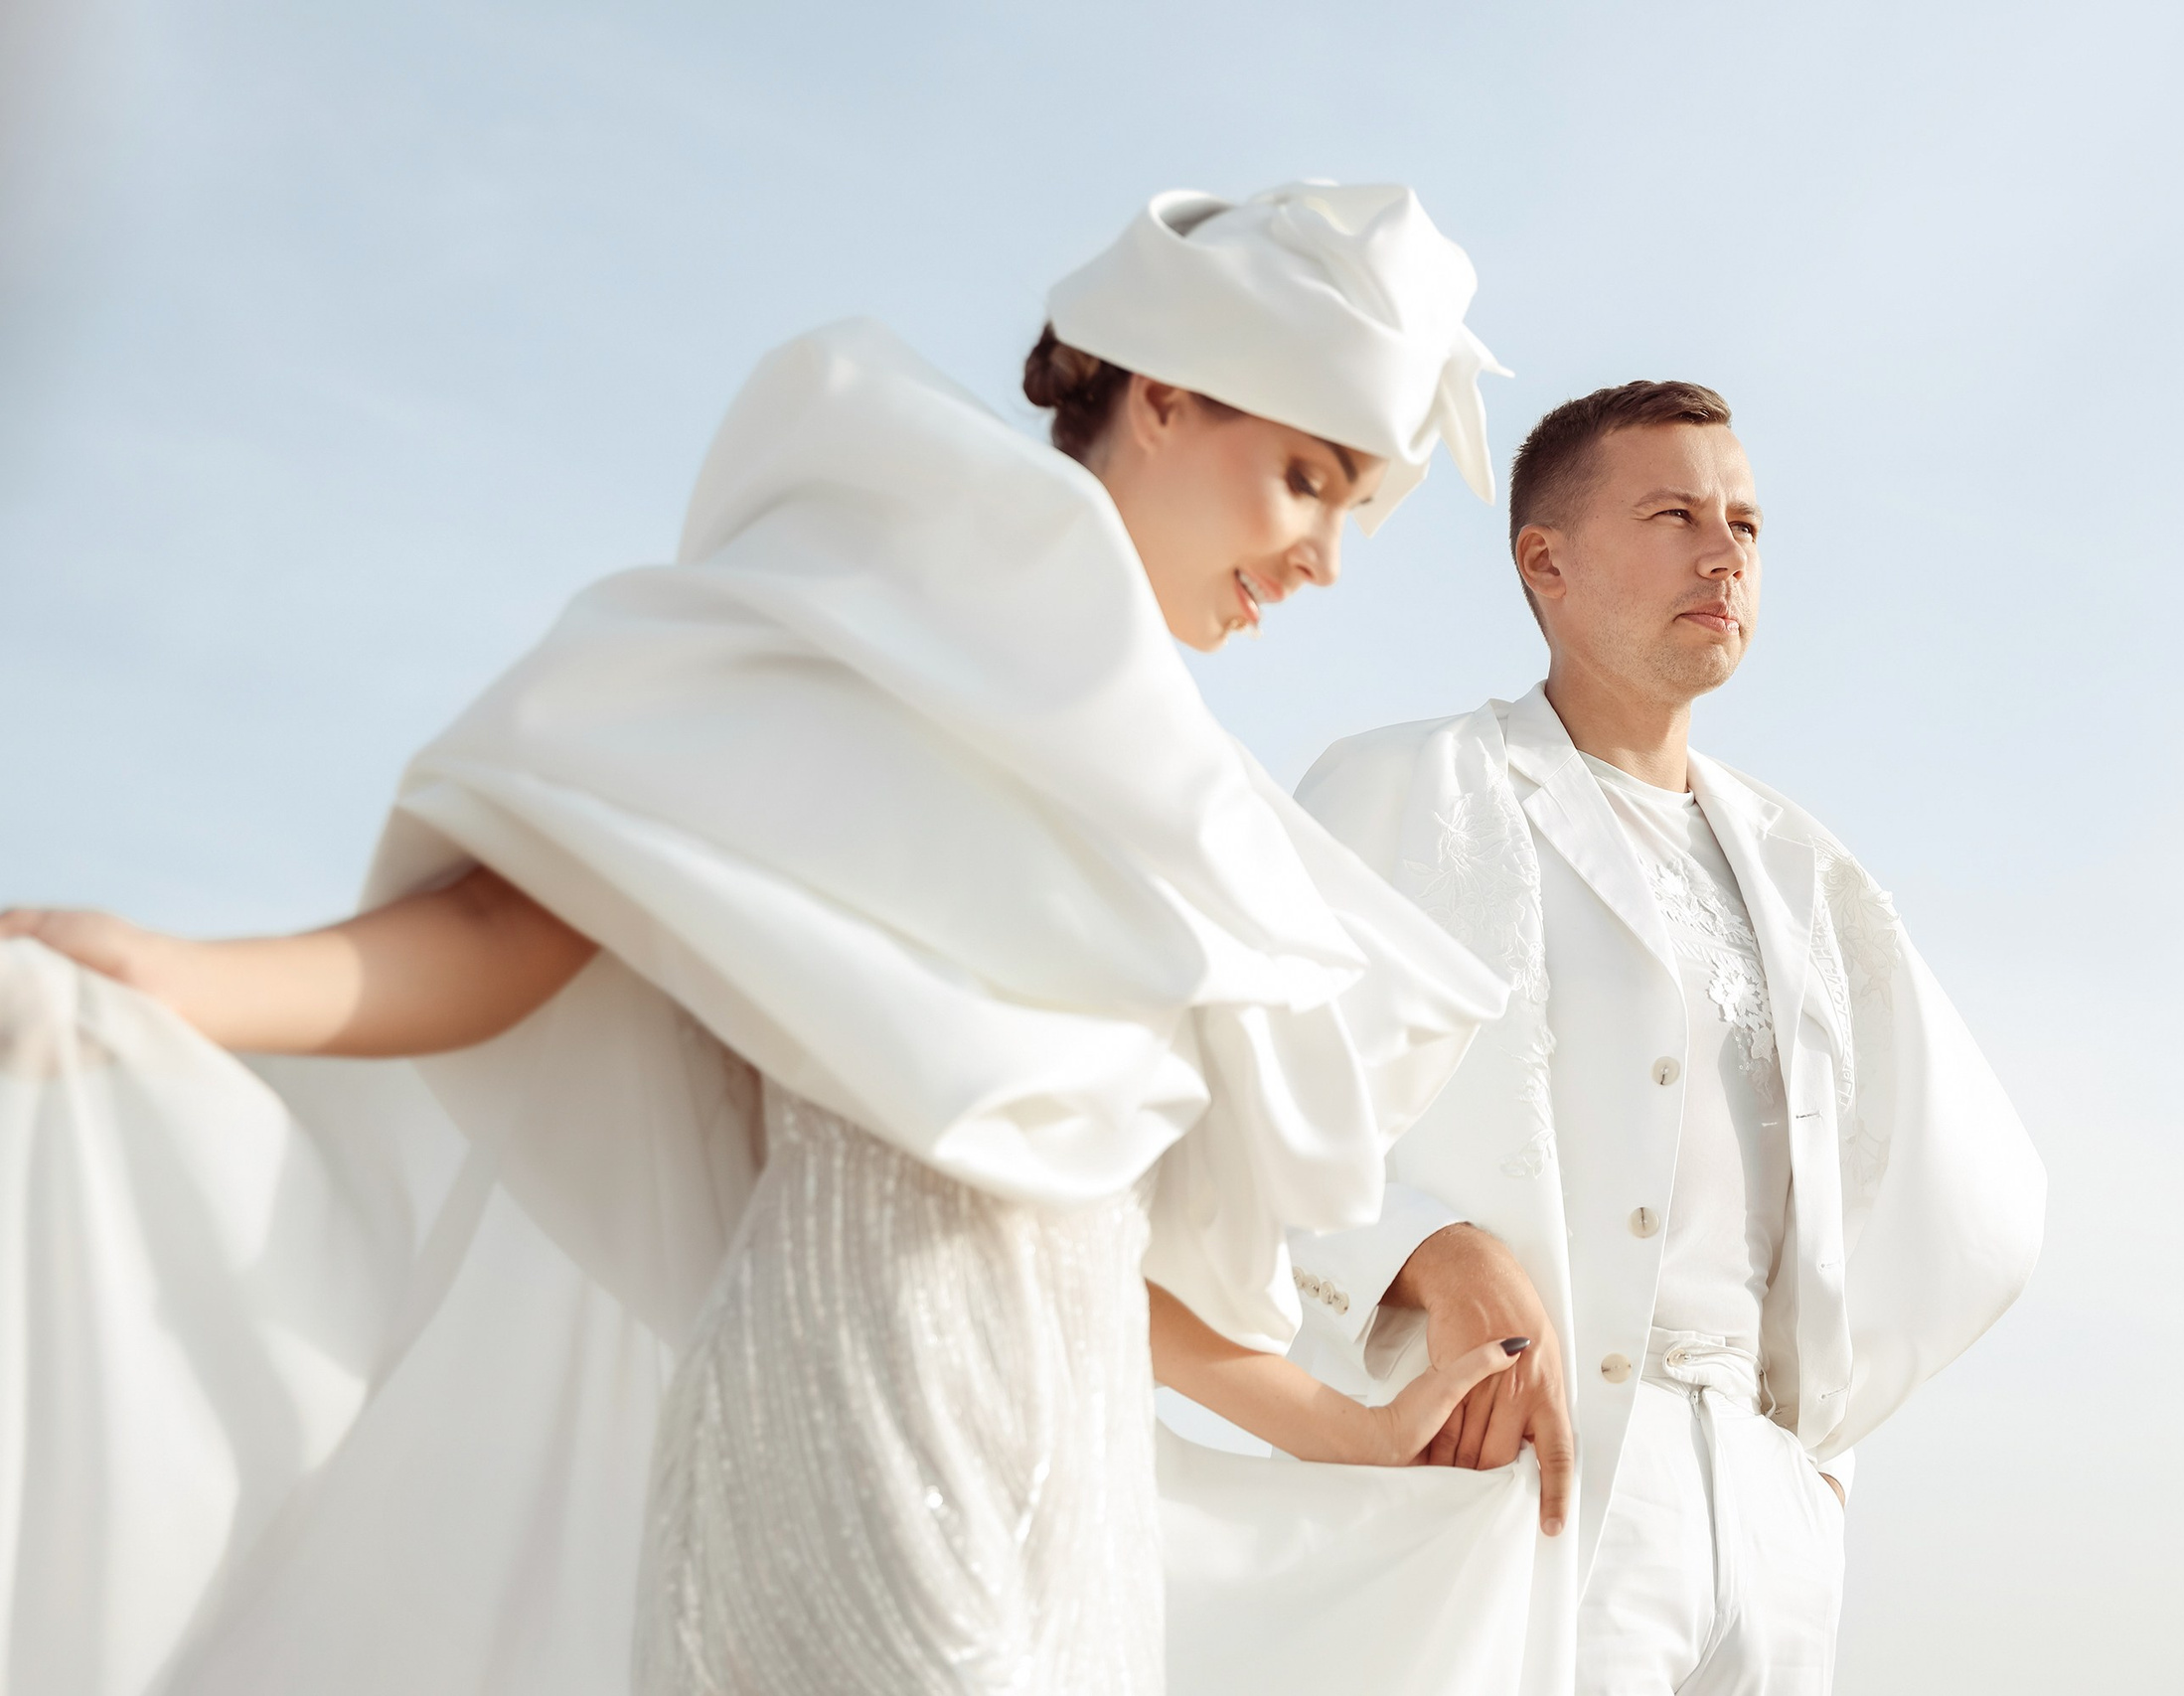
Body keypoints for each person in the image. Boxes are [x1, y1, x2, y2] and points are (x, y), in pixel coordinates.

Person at [0, 182, 1524, 1696]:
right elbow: (507, 921)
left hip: (1068, 1515)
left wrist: (1336, 1428)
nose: (1326, 557)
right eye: (1310, 479)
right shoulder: (865, 611)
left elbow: (1057, 1203)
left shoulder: (1176, 808)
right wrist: (177, 979)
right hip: (844, 1432)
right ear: (1174, 395)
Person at [1279, 381, 2049, 1692]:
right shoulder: (1406, 787)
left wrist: (1813, 1461)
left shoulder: (1806, 869)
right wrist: (1421, 1249)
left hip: (1762, 1500)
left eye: (1747, 523)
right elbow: (1254, 1100)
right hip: (1536, 1471)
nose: (1724, 551)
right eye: (1676, 512)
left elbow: (1889, 1182)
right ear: (1548, 562)